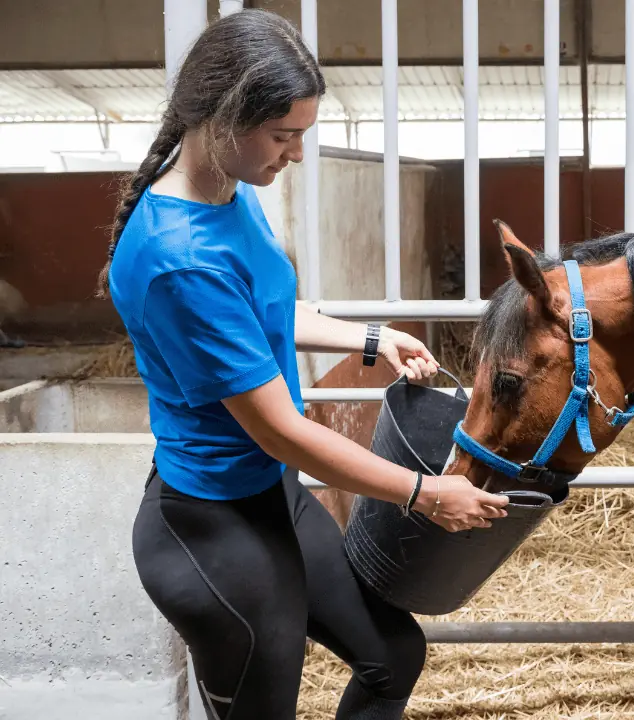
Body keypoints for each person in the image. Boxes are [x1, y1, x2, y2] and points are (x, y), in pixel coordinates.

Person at [97, 9, 510, 719]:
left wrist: (370, 339)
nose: (292, 155)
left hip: (271, 495)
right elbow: (283, 430)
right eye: (283, 136)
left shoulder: (227, 192)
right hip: (213, 525)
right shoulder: (178, 258)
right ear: (224, 115)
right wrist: (425, 493)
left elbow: (259, 312)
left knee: (391, 655)